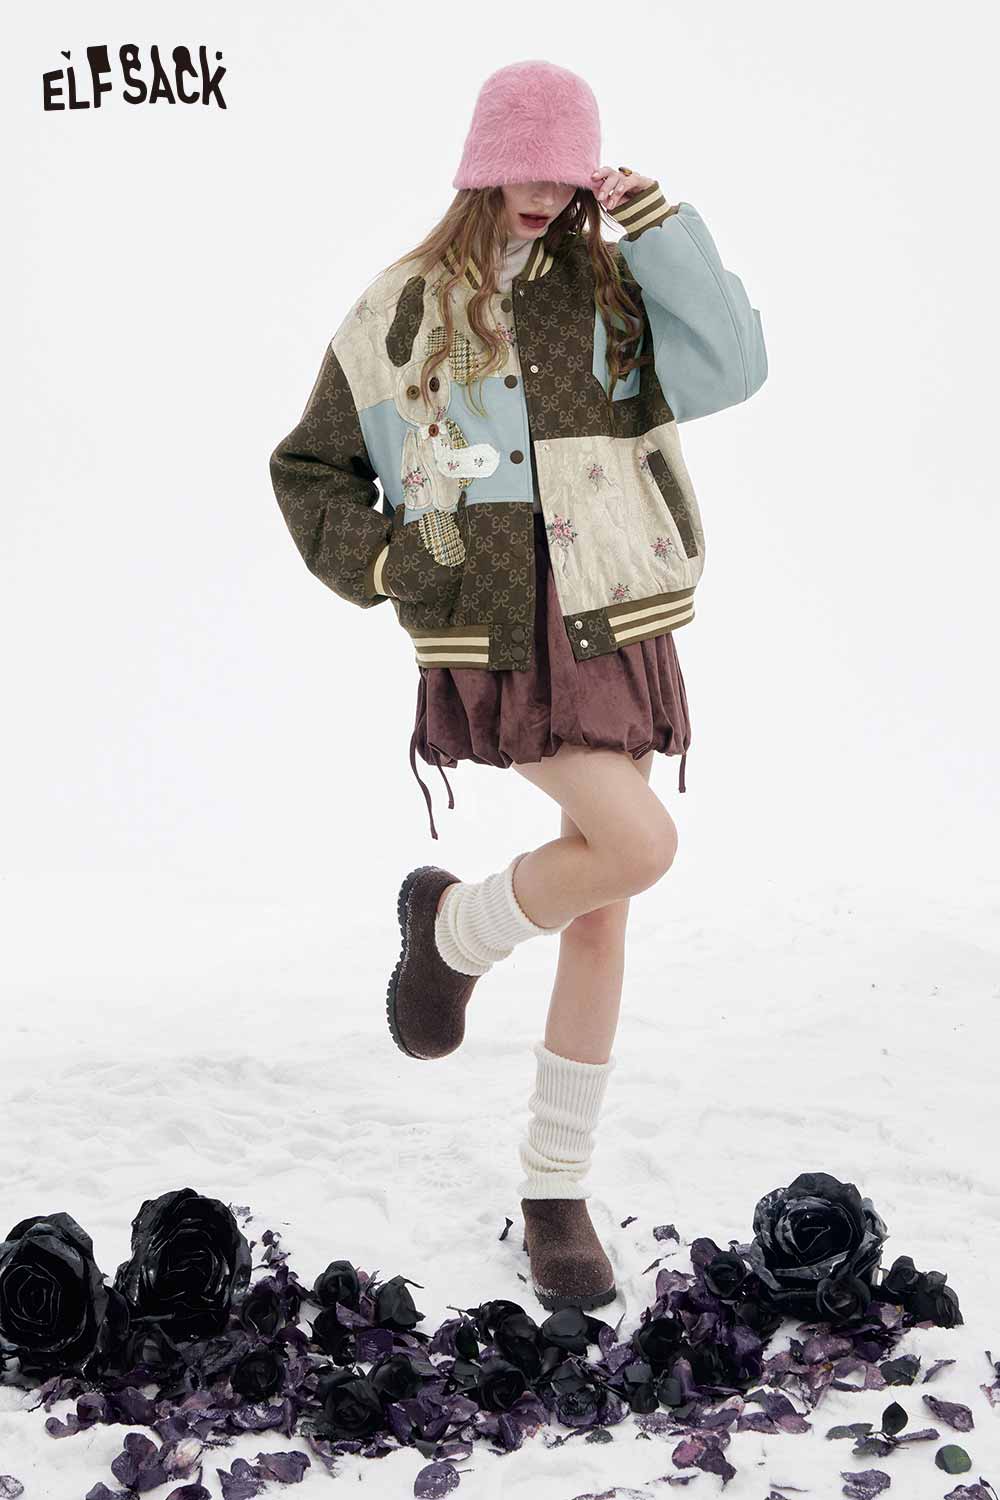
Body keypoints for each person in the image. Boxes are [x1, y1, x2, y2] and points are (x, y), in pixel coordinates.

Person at [270, 59, 767, 1313]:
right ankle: (455, 936)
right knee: (636, 846)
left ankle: (554, 1184)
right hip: (490, 621)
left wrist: (657, 224)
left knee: (604, 903)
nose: (540, 191)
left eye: (563, 171)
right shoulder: (403, 306)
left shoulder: (614, 290)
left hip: (616, 604)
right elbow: (310, 466)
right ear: (480, 169)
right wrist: (388, 561)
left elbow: (732, 368)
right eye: (518, 169)